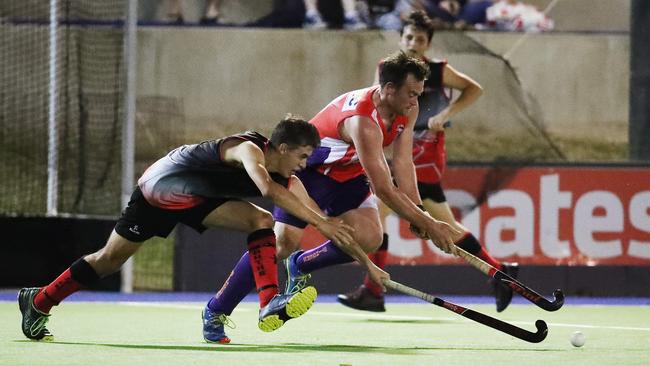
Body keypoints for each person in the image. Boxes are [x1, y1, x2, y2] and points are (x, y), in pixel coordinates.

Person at [18, 117, 359, 344]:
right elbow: (268, 189)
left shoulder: (287, 176)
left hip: (195, 198)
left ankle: (269, 300)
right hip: (160, 188)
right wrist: (322, 223)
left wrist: (351, 247)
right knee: (108, 260)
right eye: (302, 156)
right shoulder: (249, 149)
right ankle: (40, 300)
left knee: (261, 221)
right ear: (282, 148)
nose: (304, 164)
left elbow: (300, 202)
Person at [337, 10, 519, 314]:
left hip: (425, 153)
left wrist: (445, 115)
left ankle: (373, 289)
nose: (412, 43)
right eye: (408, 37)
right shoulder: (387, 68)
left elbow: (475, 89)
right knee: (440, 221)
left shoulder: (435, 71)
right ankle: (500, 271)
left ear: (428, 44)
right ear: (400, 39)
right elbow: (377, 105)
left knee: (383, 211)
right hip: (401, 146)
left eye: (419, 39)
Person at [273, 52, 461, 304]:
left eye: (419, 93)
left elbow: (403, 162)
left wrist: (419, 213)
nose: (416, 100)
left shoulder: (407, 107)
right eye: (412, 93)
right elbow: (383, 188)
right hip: (309, 173)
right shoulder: (363, 118)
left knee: (371, 237)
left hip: (347, 175)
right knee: (281, 246)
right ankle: (217, 309)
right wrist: (430, 225)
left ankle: (299, 265)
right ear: (390, 89)